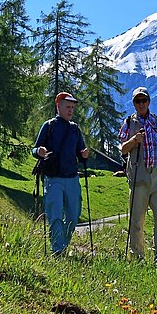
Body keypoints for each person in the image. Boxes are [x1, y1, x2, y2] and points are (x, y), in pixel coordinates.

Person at [119, 86, 157, 262]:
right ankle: (137, 257)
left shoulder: (156, 122)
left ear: (149, 102)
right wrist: (134, 140)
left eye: (144, 100)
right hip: (139, 176)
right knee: (137, 220)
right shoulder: (129, 123)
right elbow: (123, 149)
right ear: (133, 103)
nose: (141, 104)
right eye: (137, 101)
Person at [33, 92, 90, 256]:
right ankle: (58, 249)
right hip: (53, 178)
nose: (71, 110)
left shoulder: (75, 129)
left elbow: (81, 152)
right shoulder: (49, 126)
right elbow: (35, 149)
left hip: (72, 178)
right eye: (68, 107)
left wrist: (84, 154)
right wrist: (39, 151)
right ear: (59, 107)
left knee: (73, 215)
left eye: (72, 107)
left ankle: (62, 244)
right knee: (55, 213)